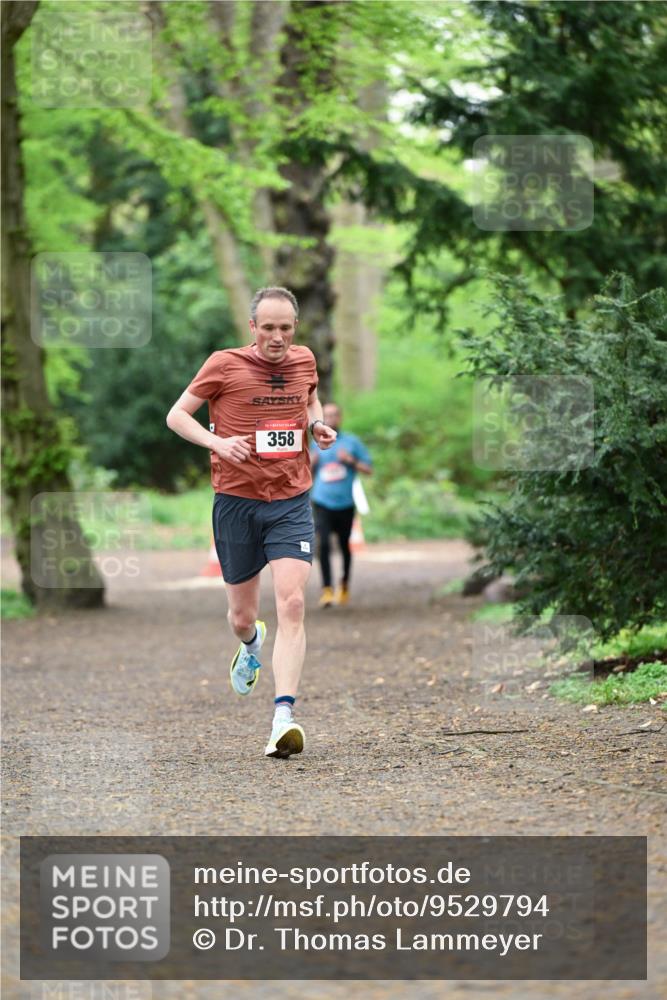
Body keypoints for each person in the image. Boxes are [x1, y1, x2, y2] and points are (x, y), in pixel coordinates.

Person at [166, 287, 336, 759]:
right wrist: (218, 445)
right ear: (252, 327)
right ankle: (251, 642)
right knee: (241, 616)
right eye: (268, 328)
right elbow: (176, 416)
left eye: (285, 328)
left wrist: (315, 427)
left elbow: (310, 403)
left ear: (294, 327)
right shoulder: (223, 364)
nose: (277, 338)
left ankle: (283, 717)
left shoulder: (304, 360)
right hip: (236, 503)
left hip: (290, 499)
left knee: (293, 602)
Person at [310, 402, 372, 608]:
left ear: (340, 417)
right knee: (324, 544)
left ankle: (344, 584)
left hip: (345, 503)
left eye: (334, 415)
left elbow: (368, 469)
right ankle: (327, 590)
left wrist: (350, 460)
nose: (331, 418)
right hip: (322, 501)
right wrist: (311, 462)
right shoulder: (314, 443)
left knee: (345, 546)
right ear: (322, 418)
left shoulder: (351, 442)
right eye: (326, 415)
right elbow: (300, 472)